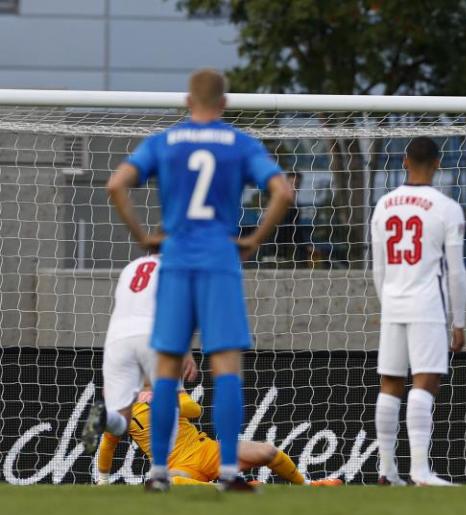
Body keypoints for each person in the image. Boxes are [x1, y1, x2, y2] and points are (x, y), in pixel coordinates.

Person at [106, 68, 293, 492]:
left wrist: (143, 236)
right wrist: (253, 241)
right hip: (219, 261)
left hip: (175, 261)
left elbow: (116, 184)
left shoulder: (164, 142)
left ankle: (157, 475)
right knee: (226, 366)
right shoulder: (241, 143)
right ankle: (228, 471)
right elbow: (282, 191)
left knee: (167, 371)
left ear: (188, 103)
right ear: (225, 104)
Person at [370, 136, 466, 486]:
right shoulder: (446, 207)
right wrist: (459, 321)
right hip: (427, 304)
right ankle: (420, 471)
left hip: (393, 302)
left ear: (404, 162)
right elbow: (456, 272)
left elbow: (377, 268)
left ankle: (386, 471)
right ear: (439, 164)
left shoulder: (383, 205)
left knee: (390, 383)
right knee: (426, 381)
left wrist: (387, 302)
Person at [95, 389, 342, 488]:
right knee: (165, 479)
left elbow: (195, 410)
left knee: (267, 452)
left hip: (209, 450)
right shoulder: (120, 413)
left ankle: (308, 486)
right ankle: (230, 488)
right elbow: (108, 445)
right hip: (179, 466)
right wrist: (103, 480)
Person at [80, 254, 198, 455]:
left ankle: (105, 418)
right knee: (171, 402)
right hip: (154, 335)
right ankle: (160, 472)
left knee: (122, 421)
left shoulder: (130, 268)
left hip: (117, 339)